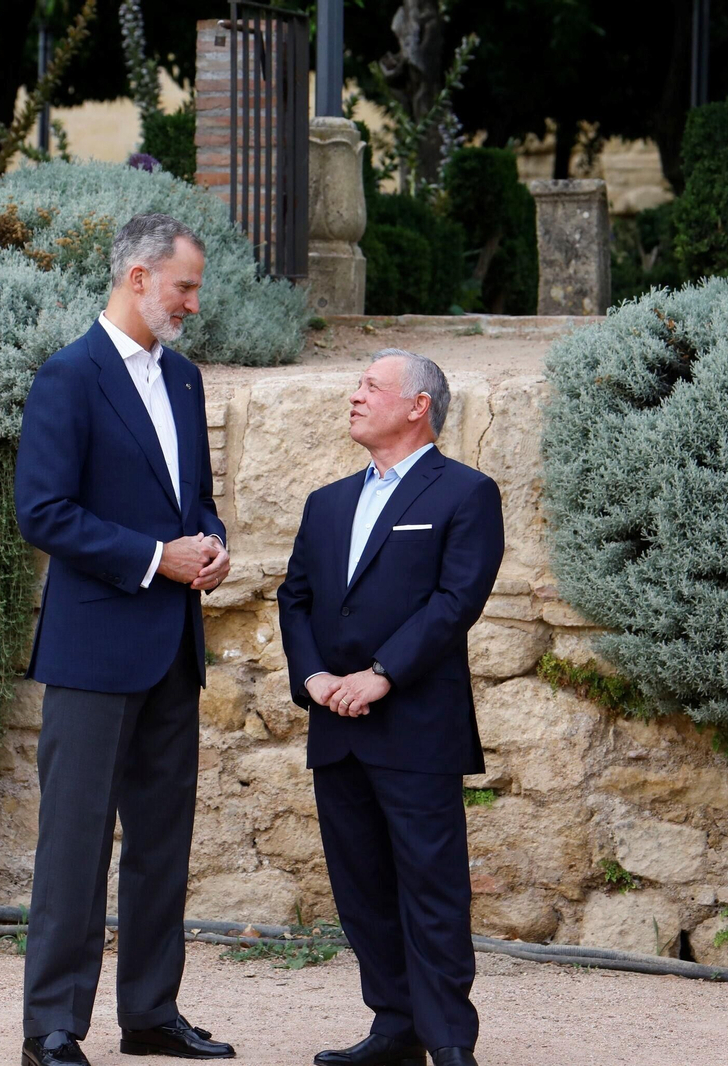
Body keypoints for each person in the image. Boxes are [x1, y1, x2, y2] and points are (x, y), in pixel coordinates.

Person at [13, 213, 236, 1066]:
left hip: (174, 648)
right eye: (184, 286)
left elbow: (193, 500)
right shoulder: (68, 377)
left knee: (161, 847)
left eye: (195, 289)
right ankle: (53, 1029)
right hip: (94, 653)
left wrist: (208, 544)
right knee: (73, 848)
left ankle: (149, 1014)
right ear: (138, 277)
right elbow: (43, 512)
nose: (192, 302)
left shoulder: (183, 380)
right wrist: (154, 558)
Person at [277, 350, 504, 1066]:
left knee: (431, 889)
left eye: (371, 386)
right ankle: (395, 1025)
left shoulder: (466, 493)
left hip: (416, 726)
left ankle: (448, 1040)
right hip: (334, 725)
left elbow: (455, 601)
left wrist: (382, 674)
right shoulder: (327, 502)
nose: (353, 396)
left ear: (418, 406)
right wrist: (313, 677)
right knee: (362, 888)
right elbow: (296, 598)